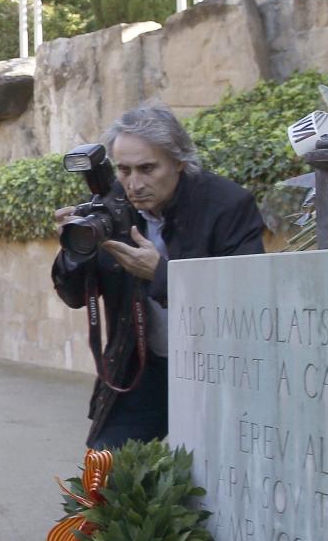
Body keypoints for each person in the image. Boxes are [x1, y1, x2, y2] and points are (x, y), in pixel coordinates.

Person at [52, 104, 264, 449]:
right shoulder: (109, 206)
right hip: (137, 366)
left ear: (179, 162)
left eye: (148, 168)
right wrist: (74, 252)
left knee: (211, 481)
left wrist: (161, 275)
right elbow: (75, 297)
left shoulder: (227, 205)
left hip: (214, 369)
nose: (134, 184)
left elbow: (247, 298)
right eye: (124, 170)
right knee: (103, 475)